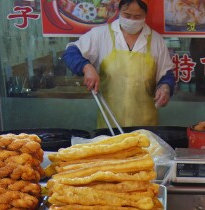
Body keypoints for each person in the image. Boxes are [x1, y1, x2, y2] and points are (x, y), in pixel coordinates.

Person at [62, 0, 176, 128]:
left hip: (146, 125)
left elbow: (166, 74)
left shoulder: (156, 40)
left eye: (137, 16)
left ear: (145, 15)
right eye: (127, 15)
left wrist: (165, 87)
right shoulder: (101, 35)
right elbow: (70, 53)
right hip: (109, 125)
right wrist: (86, 67)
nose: (132, 20)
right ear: (119, 11)